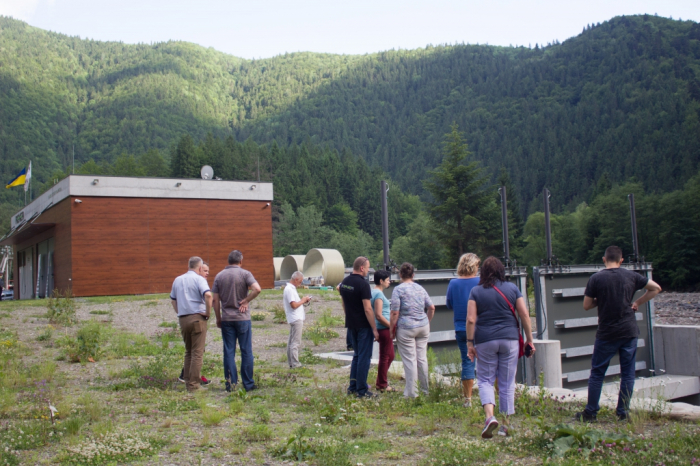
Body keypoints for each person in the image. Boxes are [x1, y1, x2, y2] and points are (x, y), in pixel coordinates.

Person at [576, 246, 661, 422]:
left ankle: (590, 413)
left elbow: (586, 305)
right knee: (628, 373)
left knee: (598, 373)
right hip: (629, 331)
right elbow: (655, 288)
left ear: (603, 259)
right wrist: (637, 301)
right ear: (622, 260)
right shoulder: (631, 276)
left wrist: (601, 300)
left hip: (607, 333)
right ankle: (623, 412)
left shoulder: (596, 278)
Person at [467, 256, 534, 438]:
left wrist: (470, 343)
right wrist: (529, 339)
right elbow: (524, 314)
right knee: (506, 382)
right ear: (501, 271)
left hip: (485, 340)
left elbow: (471, 319)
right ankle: (506, 425)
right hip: (510, 339)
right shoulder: (512, 288)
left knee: (486, 380)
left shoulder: (476, 291)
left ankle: (490, 417)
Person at [212, 250, 262, 392]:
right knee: (246, 350)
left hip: (227, 318)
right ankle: (248, 383)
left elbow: (215, 299)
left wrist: (218, 318)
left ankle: (231, 383)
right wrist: (246, 300)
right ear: (241, 261)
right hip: (242, 317)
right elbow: (257, 289)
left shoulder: (219, 276)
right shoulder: (245, 274)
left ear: (228, 261)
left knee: (229, 351)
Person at [390, 262, 435, 398]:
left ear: (400, 275)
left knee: (410, 359)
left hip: (406, 328)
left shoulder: (398, 290)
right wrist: (427, 321)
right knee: (422, 358)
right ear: (413, 275)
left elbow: (395, 313)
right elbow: (432, 307)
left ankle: (412, 393)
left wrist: (392, 330)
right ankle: (425, 390)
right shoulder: (420, 288)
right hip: (422, 326)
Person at [170, 256, 212, 392]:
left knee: (188, 351)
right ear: (200, 268)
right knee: (197, 352)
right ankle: (194, 385)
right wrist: (207, 312)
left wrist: (180, 312)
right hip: (197, 318)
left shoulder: (178, 279)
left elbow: (173, 300)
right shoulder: (199, 279)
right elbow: (208, 295)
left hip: (183, 318)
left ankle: (187, 380)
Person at [339, 256, 379, 398]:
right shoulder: (363, 284)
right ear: (362, 268)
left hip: (351, 324)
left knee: (356, 355)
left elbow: (344, 303)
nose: (368, 271)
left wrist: (348, 317)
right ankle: (362, 390)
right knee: (364, 357)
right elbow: (368, 308)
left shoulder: (345, 282)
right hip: (363, 325)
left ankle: (353, 386)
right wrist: (374, 328)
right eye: (368, 268)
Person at [446, 253, 480, 407]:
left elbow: (449, 304)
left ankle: (468, 399)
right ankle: (495, 396)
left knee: (467, 361)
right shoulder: (480, 282)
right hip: (480, 326)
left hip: (461, 328)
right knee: (490, 361)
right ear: (474, 266)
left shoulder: (453, 283)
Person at [372, 269, 395, 392]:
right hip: (384, 328)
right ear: (381, 281)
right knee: (385, 356)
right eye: (387, 280)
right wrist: (391, 326)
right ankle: (382, 384)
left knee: (390, 355)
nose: (389, 282)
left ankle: (381, 380)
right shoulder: (379, 294)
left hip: (384, 328)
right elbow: (379, 315)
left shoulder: (373, 292)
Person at [284, 271, 311, 369]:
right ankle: (295, 364)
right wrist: (303, 300)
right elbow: (294, 305)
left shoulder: (290, 289)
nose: (300, 284)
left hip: (294, 318)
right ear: (296, 280)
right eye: (300, 281)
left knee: (291, 341)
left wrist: (303, 301)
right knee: (295, 342)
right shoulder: (290, 290)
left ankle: (291, 363)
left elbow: (296, 303)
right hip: (296, 318)